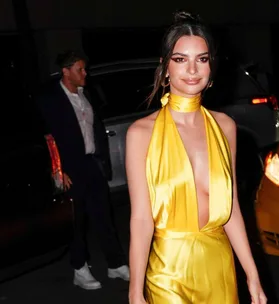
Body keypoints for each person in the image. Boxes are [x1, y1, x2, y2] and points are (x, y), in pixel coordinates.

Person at [126, 10, 267, 304]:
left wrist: (252, 276)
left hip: (219, 266)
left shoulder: (225, 127)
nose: (192, 69)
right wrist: (135, 291)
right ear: (165, 67)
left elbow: (231, 211)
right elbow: (141, 218)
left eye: (202, 59)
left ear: (211, 67)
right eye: (180, 59)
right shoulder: (141, 133)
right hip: (168, 273)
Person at [36, 50, 129, 290]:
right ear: (66, 72)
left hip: (91, 163)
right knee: (77, 221)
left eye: (84, 68)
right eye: (80, 69)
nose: (85, 73)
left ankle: (115, 264)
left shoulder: (85, 94)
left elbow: (95, 129)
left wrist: (102, 160)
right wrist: (57, 169)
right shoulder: (51, 99)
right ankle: (79, 268)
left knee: (103, 216)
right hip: (70, 167)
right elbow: (46, 137)